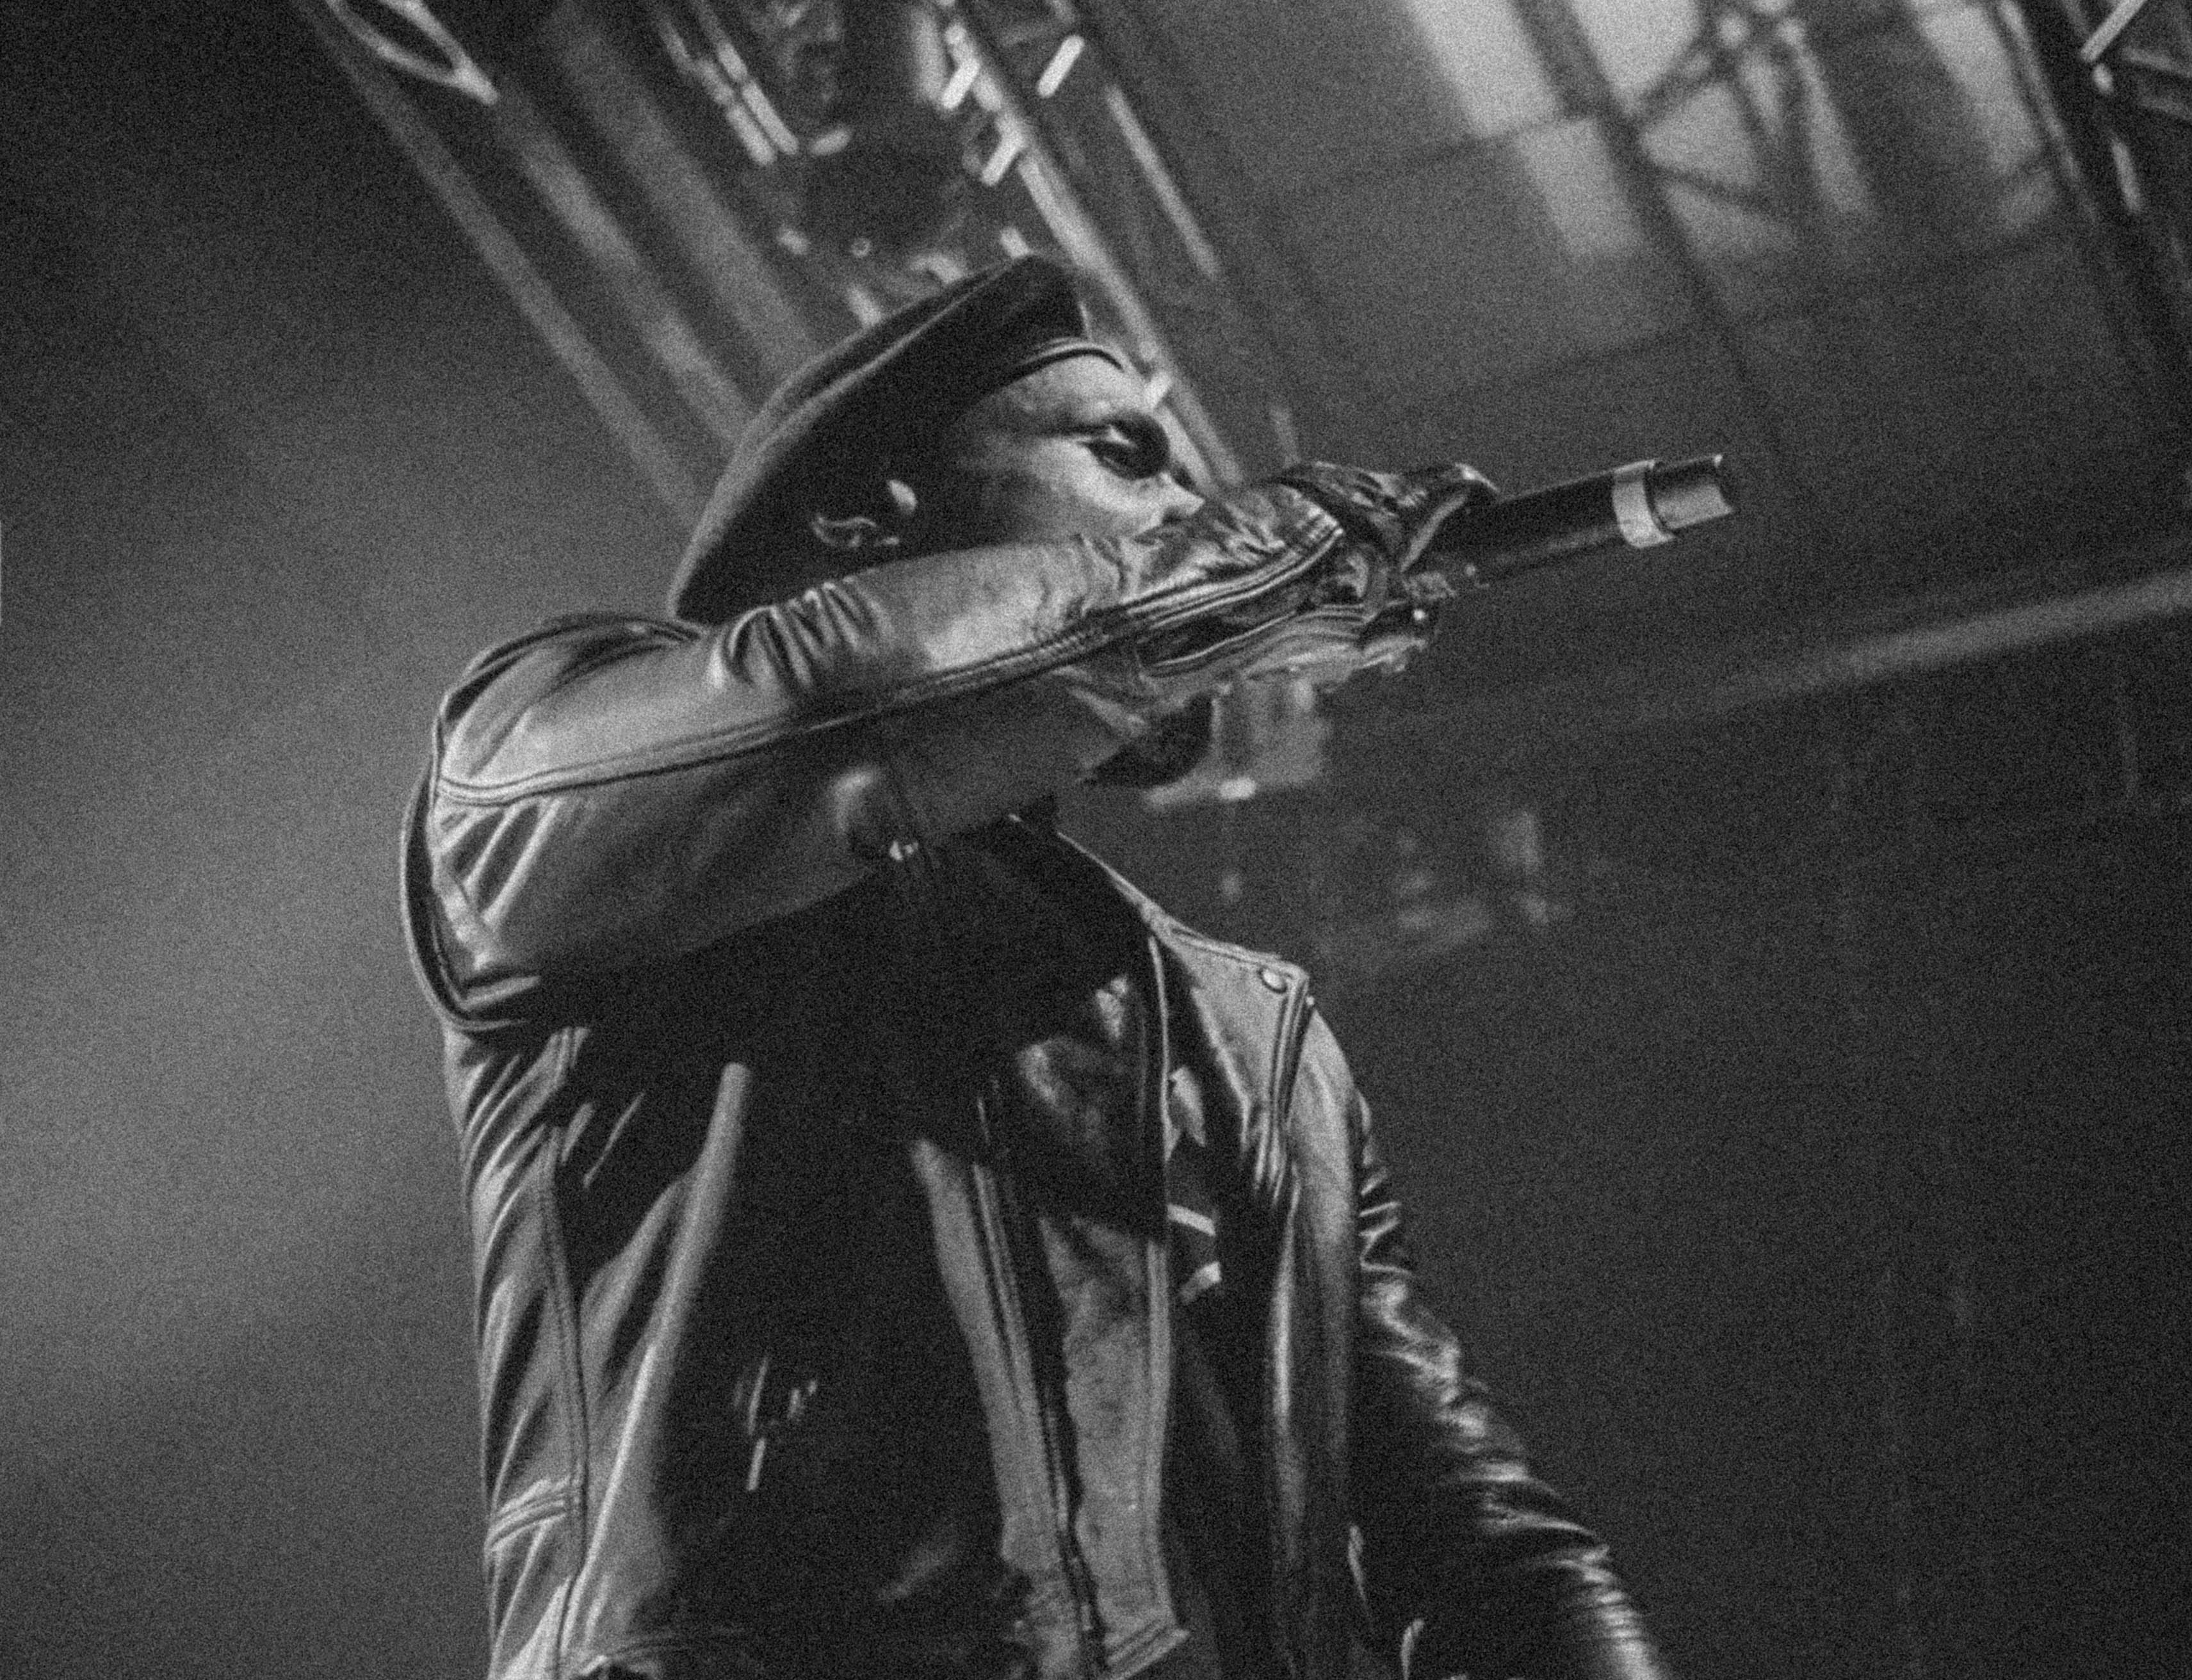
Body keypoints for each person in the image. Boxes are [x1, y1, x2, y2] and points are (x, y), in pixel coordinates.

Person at [402, 256, 1671, 1680]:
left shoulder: (1251, 1033)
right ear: (866, 513)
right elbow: (829, 711)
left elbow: (1473, 1528)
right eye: (1126, 455)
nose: (1187, 510)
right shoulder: (563, 754)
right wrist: (1238, 576)